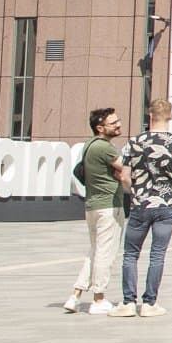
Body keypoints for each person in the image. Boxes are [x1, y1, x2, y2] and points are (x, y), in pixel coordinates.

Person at [108, 99, 172, 317]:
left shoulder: (135, 142)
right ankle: (149, 303)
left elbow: (125, 176)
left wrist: (134, 191)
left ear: (150, 116)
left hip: (140, 204)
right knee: (157, 254)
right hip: (166, 205)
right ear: (171, 116)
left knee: (130, 254)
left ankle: (127, 302)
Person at [63, 106, 125, 314]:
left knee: (94, 252)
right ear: (100, 128)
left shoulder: (89, 146)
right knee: (105, 254)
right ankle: (99, 299)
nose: (118, 125)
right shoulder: (104, 148)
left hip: (92, 206)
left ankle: (76, 295)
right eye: (113, 123)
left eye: (118, 121)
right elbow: (125, 168)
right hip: (108, 206)